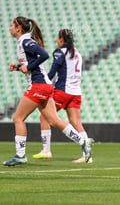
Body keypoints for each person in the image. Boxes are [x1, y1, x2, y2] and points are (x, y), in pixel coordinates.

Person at [4, 17, 93, 166]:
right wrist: (19, 68)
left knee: (18, 118)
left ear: (19, 28)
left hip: (39, 85)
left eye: (12, 25)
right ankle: (83, 142)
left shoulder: (25, 41)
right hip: (45, 85)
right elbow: (33, 64)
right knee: (53, 120)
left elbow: (44, 55)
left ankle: (20, 155)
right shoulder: (24, 42)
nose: (9, 28)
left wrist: (29, 67)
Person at [32, 29, 92, 163]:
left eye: (57, 38)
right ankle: (87, 155)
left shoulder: (61, 52)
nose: (56, 40)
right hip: (76, 93)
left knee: (44, 117)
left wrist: (42, 83)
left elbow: (52, 73)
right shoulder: (77, 53)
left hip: (62, 91)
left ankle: (46, 151)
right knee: (76, 123)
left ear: (61, 39)